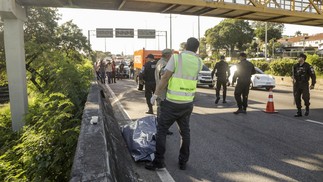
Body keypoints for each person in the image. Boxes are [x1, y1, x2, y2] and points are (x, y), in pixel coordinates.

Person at [146, 37, 203, 171]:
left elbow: (165, 77)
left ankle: (159, 161)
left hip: (171, 103)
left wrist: (155, 95)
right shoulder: (199, 61)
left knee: (162, 130)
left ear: (185, 46)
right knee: (185, 132)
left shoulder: (176, 58)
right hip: (188, 103)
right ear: (196, 49)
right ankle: (183, 162)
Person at [154, 48, 173, 135]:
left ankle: (162, 129)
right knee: (162, 112)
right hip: (162, 92)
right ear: (168, 55)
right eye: (171, 55)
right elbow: (164, 76)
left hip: (161, 90)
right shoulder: (163, 63)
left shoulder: (160, 62)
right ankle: (161, 130)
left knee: (162, 111)